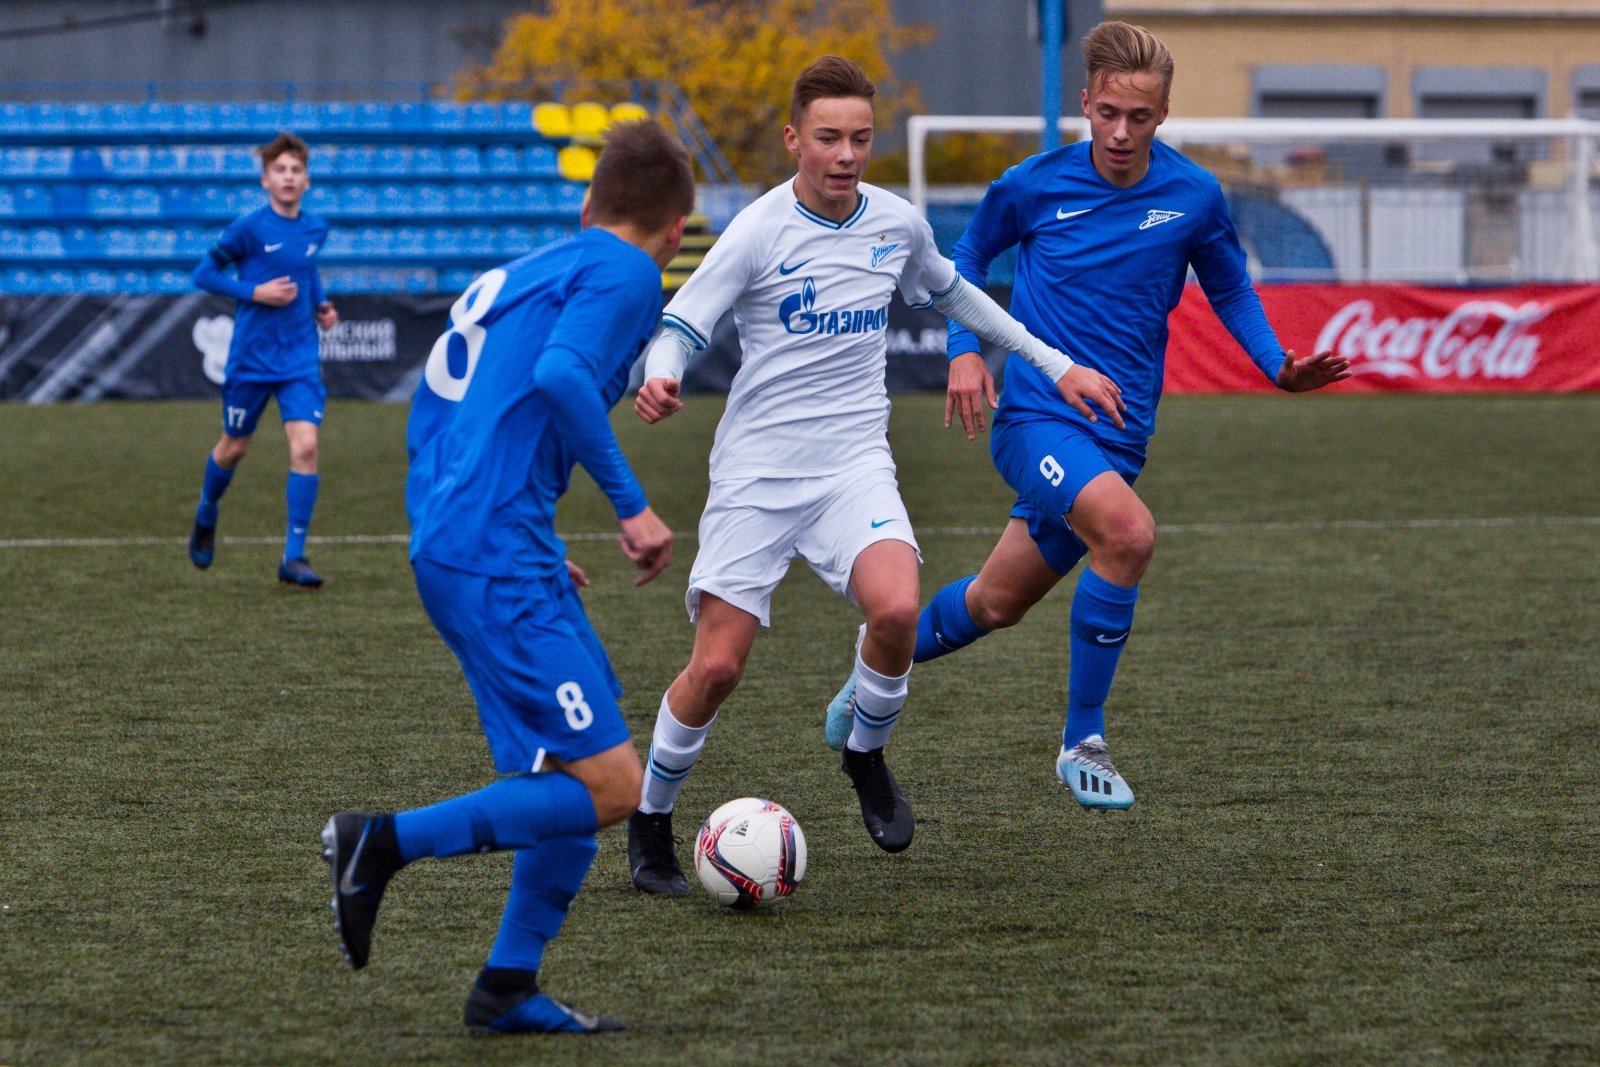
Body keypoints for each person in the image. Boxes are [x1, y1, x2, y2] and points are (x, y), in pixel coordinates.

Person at [625, 56, 1122, 894]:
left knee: (895, 607)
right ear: (794, 140)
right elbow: (681, 321)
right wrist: (661, 370)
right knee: (716, 669)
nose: (847, 153)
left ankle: (864, 754)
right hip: (757, 472)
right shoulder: (757, 229)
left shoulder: (896, 223)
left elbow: (958, 295)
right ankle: (650, 823)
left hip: (854, 461)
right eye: (828, 138)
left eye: (859, 137)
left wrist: (1054, 361)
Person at [828, 21, 1350, 812]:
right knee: (1129, 533)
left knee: (996, 603)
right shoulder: (1034, 184)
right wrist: (965, 349)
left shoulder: (1193, 197)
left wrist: (1276, 364)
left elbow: (1232, 288)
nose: (1120, 131)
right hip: (1036, 417)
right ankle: (1083, 740)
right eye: (1107, 112)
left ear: (1164, 113)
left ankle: (870, 672)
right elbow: (962, 260)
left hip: (1120, 434)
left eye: (1139, 117)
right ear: (1085, 102)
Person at [319, 120, 687, 1035]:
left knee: (572, 767)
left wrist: (479, 524)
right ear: (676, 230)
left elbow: (440, 414)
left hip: (474, 540)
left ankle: (506, 986)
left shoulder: (524, 272)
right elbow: (564, 376)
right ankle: (379, 842)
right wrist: (631, 506)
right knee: (610, 785)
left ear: (586, 202)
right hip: (490, 549)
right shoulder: (629, 272)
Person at [187, 132, 337, 587]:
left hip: (299, 357)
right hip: (252, 358)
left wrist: (322, 305)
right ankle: (207, 512)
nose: (288, 177)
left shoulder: (316, 229)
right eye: (280, 170)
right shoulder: (247, 229)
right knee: (234, 447)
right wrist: (255, 292)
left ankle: (294, 557)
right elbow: (204, 274)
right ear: (265, 180)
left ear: (306, 181)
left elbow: (307, 273)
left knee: (306, 448)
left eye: (295, 170)